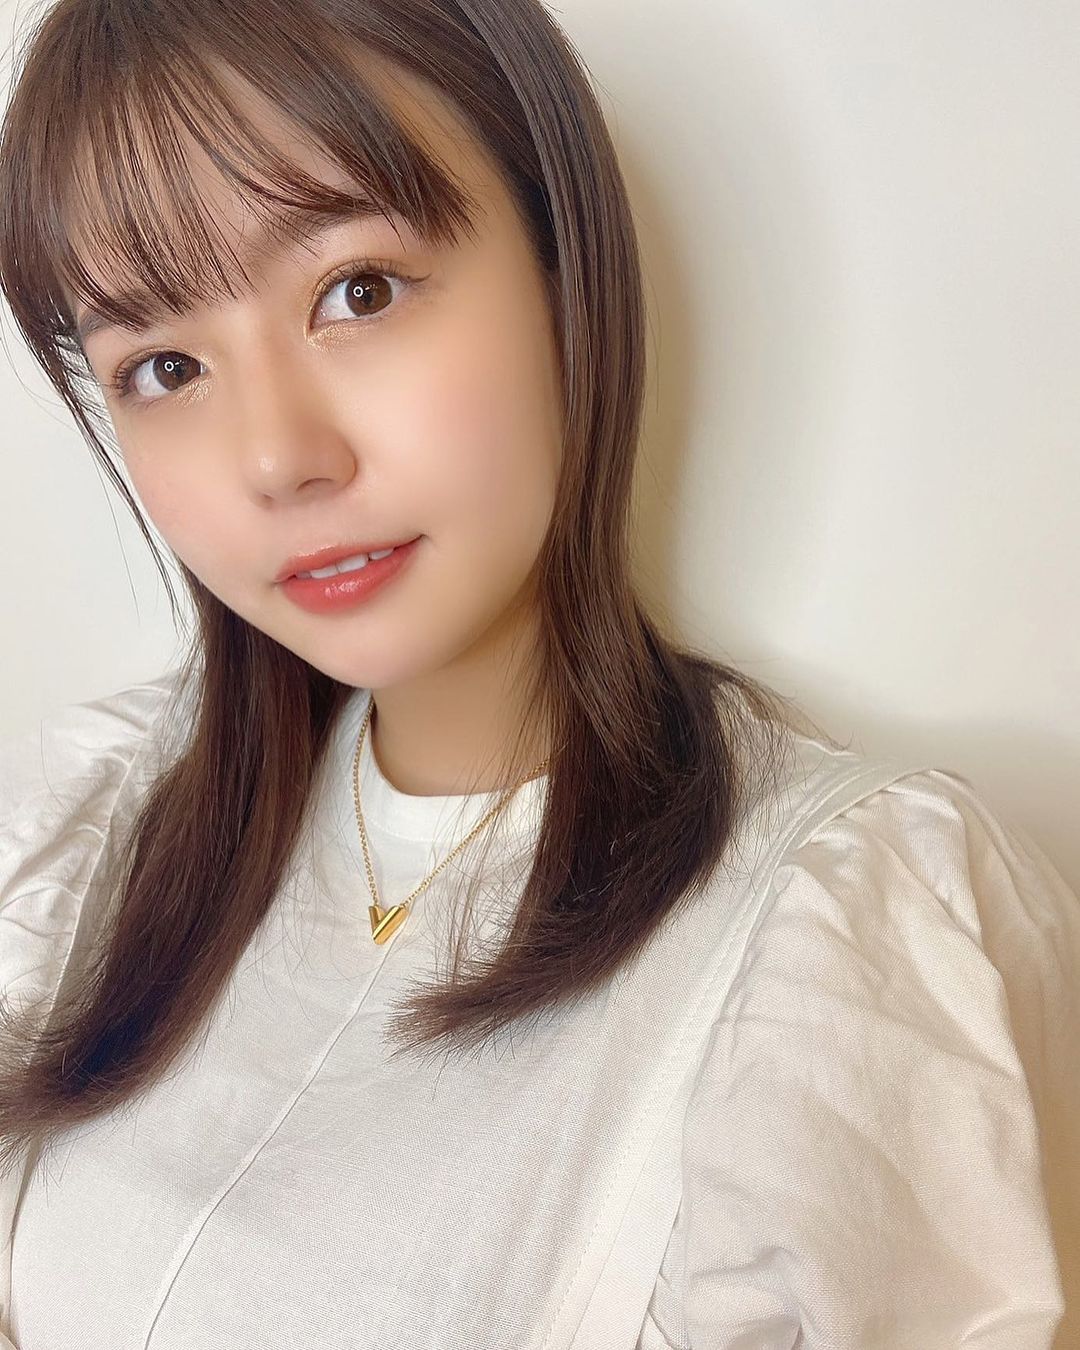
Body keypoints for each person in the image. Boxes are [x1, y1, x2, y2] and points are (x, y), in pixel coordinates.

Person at [0, 1, 1077, 1346]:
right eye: (164, 367)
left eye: (358, 291)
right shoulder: (93, 838)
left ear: (565, 272)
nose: (277, 458)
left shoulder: (835, 940)